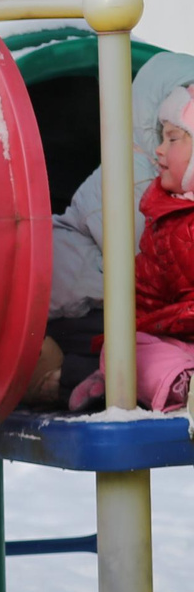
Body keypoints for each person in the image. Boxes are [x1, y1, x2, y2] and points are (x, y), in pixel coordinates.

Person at [40, 50, 194, 404]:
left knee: (127, 344)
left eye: (175, 139)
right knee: (122, 344)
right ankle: (86, 381)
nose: (161, 149)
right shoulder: (135, 183)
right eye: (165, 136)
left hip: (154, 316)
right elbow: (144, 277)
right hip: (83, 302)